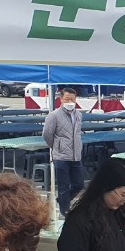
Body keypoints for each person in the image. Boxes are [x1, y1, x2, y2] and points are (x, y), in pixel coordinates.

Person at [42, 86, 87, 216]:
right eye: (67, 99)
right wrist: (56, 146)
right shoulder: (54, 115)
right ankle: (65, 210)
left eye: (72, 99)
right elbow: (47, 134)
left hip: (76, 155)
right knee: (63, 185)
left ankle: (62, 200)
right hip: (61, 156)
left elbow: (77, 133)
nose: (70, 102)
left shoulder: (78, 115)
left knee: (79, 184)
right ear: (61, 99)